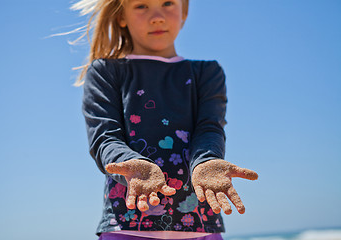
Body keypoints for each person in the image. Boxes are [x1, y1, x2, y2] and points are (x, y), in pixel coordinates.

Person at [74, 0, 258, 239]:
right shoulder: (106, 72)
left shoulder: (206, 73)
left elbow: (209, 128)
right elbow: (105, 138)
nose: (157, 16)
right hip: (127, 227)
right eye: (141, 6)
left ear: (185, 10)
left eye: (168, 3)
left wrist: (207, 162)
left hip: (199, 226)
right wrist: (133, 163)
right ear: (122, 16)